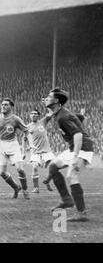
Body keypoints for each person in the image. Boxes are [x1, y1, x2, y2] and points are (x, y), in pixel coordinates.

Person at [43, 89, 94, 222]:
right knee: (53, 167)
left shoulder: (62, 117)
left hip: (82, 148)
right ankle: (66, 199)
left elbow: (78, 135)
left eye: (49, 97)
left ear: (56, 101)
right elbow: (81, 119)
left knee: (72, 175)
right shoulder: (58, 113)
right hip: (73, 148)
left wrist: (75, 157)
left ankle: (81, 213)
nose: (46, 98)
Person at [26, 109, 54, 193]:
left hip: (47, 151)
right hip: (35, 152)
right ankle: (36, 188)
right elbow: (24, 139)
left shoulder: (43, 121)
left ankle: (47, 181)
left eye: (35, 114)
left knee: (54, 167)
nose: (34, 115)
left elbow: (51, 113)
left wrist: (48, 105)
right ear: (30, 115)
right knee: (34, 167)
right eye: (32, 113)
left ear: (38, 116)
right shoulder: (27, 127)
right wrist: (24, 150)